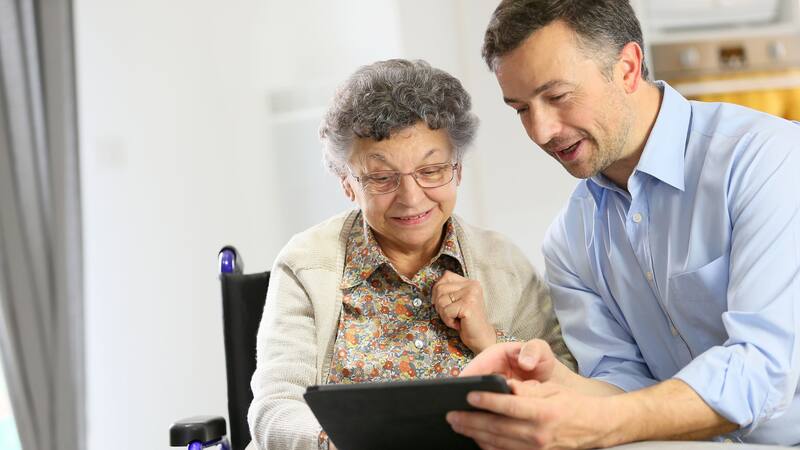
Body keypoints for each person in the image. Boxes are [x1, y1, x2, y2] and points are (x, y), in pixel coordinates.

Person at [446, 0, 800, 448]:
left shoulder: (766, 162)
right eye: (521, 109)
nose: (540, 131)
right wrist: (554, 385)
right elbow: (623, 385)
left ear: (628, 68)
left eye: (557, 97)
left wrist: (596, 421)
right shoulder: (570, 238)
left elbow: (764, 370)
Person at [247, 58, 575, 450]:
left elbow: (564, 396)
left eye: (432, 170)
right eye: (382, 178)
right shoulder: (307, 263)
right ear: (347, 184)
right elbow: (275, 408)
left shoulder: (502, 265)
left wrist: (489, 340)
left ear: (457, 169)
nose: (411, 197)